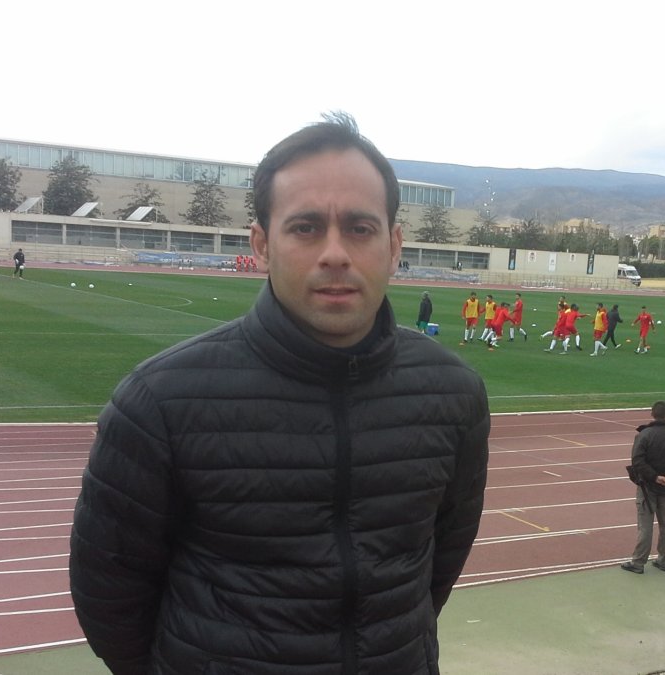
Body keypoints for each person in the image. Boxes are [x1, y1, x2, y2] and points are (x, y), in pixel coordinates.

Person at [69, 117, 491, 675]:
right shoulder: (159, 402)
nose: (335, 253)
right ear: (262, 244)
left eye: (360, 228)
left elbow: (437, 565)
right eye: (307, 228)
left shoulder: (454, 392)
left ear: (393, 246)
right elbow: (110, 593)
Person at [620, 400, 665, 574]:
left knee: (645, 525)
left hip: (647, 487)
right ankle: (664, 560)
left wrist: (655, 477)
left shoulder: (644, 435)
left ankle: (638, 562)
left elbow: (637, 461)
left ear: (652, 414)